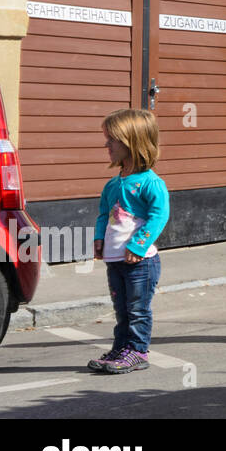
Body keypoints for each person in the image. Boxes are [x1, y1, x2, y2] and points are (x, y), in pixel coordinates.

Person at [89, 109, 170, 375]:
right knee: (122, 310)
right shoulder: (113, 184)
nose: (106, 145)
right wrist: (99, 238)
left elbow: (159, 216)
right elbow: (104, 213)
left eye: (111, 139)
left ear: (132, 142)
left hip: (141, 262)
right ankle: (121, 348)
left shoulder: (150, 183)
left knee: (137, 310)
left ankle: (137, 351)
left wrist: (137, 245)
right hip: (115, 260)